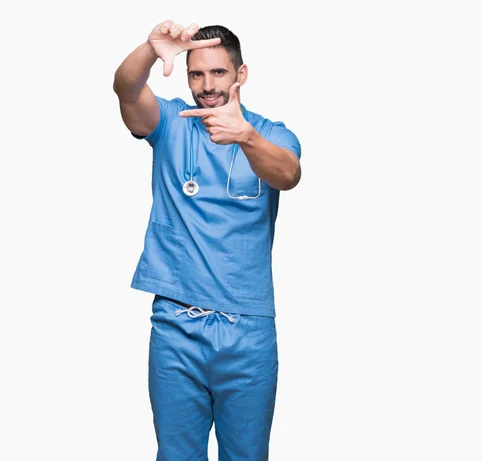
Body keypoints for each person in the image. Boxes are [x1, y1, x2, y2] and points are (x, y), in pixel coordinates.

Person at [113, 19, 301, 460]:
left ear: (241, 75)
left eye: (218, 73)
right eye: (196, 73)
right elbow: (125, 90)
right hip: (178, 327)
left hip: (247, 331)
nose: (206, 85)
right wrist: (148, 48)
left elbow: (288, 174)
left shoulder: (271, 133)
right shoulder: (172, 125)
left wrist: (247, 138)